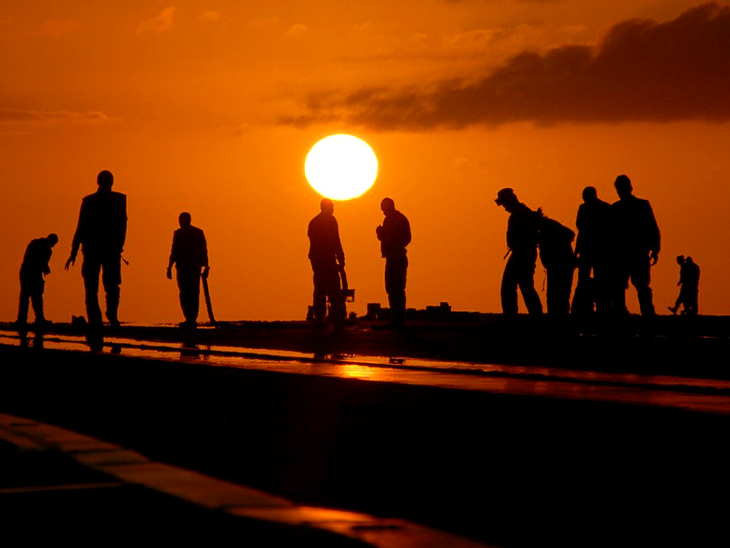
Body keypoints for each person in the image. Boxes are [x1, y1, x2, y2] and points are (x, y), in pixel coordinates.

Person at [65, 170, 127, 329]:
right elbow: (81, 226)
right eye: (105, 180)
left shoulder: (119, 200)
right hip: (94, 250)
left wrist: (119, 245)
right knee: (93, 288)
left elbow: (123, 225)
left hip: (110, 250)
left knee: (111, 286)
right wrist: (73, 252)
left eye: (108, 180)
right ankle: (97, 319)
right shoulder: (90, 201)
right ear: (99, 182)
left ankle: (111, 316)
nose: (107, 183)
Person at [610, 174, 660, 317]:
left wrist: (655, 248)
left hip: (630, 254)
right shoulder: (639, 206)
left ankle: (635, 315)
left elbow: (652, 228)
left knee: (630, 287)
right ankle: (644, 315)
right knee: (635, 287)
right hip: (632, 254)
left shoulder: (617, 208)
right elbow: (653, 229)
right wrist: (655, 248)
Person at [495, 188, 543, 318]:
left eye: (504, 204)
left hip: (522, 255)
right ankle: (534, 316)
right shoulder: (522, 213)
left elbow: (525, 237)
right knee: (524, 286)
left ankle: (513, 317)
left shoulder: (521, 214)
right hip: (522, 254)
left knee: (512, 287)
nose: (504, 208)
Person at [571, 186, 612, 318]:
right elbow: (581, 230)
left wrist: (577, 251)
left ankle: (591, 309)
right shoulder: (604, 208)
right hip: (595, 251)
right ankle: (595, 309)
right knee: (597, 281)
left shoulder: (587, 208)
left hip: (594, 251)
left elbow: (582, 230)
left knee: (589, 281)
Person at [167, 212, 210, 329]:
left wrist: (206, 267)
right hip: (182, 268)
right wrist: (169, 267)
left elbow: (203, 250)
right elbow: (174, 251)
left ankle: (192, 319)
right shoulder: (178, 234)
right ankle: (189, 318)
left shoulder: (198, 233)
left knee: (193, 293)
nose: (181, 223)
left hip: (193, 268)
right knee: (184, 293)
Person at [307, 198, 346, 325]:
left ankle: (324, 315)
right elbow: (335, 240)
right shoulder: (327, 221)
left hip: (321, 259)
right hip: (323, 259)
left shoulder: (316, 222)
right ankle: (328, 315)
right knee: (329, 286)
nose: (333, 209)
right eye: (332, 207)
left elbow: (335, 239)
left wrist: (340, 255)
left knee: (323, 287)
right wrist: (340, 256)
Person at [376, 197, 411, 328]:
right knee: (391, 288)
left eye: (384, 209)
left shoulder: (400, 220)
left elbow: (406, 238)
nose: (383, 212)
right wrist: (381, 234)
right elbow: (386, 238)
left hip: (398, 258)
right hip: (391, 258)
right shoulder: (388, 220)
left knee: (398, 288)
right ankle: (395, 317)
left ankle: (399, 319)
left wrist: (385, 235)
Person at [537, 212, 575, 318]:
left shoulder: (549, 226)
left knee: (559, 293)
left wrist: (555, 248)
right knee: (556, 293)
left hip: (561, 264)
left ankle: (559, 318)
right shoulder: (544, 229)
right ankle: (556, 317)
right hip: (556, 265)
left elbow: (570, 234)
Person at [16, 233, 59, 329]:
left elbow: (38, 261)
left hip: (29, 272)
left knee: (28, 296)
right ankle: (33, 319)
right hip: (30, 273)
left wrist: (44, 268)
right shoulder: (45, 249)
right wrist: (44, 268)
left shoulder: (35, 243)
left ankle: (26, 319)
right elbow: (35, 260)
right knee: (33, 297)